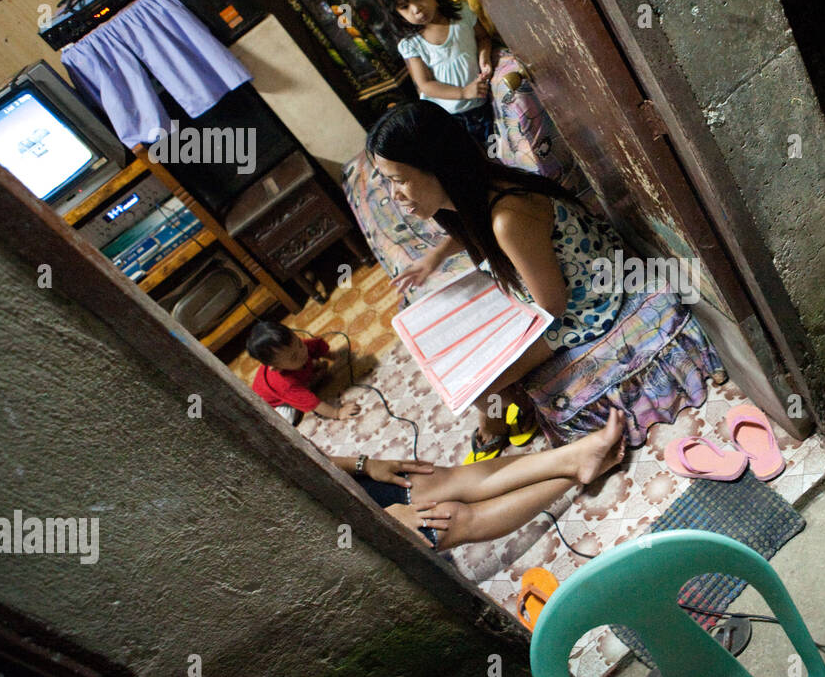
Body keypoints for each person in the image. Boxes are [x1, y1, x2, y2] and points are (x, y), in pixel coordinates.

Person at [366, 101, 625, 463]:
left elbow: (553, 306)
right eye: (389, 182)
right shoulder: (472, 193)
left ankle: (496, 427)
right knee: (453, 350)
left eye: (399, 180)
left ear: (438, 166)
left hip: (587, 301)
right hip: (551, 285)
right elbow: (475, 222)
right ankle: (511, 413)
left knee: (476, 387)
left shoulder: (509, 218)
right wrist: (435, 257)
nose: (395, 195)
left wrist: (499, 344)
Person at [329, 409, 625, 549]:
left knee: (429, 483)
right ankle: (576, 474)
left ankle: (575, 456)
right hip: (345, 543)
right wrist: (377, 523)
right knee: (449, 518)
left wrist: (364, 465)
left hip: (341, 497)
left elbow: (306, 455)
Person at [374, 0, 494, 146]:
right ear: (396, 13)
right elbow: (425, 84)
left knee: (495, 153)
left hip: (482, 104)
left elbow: (483, 38)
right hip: (449, 118)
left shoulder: (461, 15)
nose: (416, 9)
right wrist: (463, 92)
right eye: (404, 7)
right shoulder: (412, 43)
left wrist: (484, 57)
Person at [247, 321, 359, 423]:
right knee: (287, 420)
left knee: (311, 362)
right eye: (294, 357)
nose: (302, 352)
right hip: (275, 403)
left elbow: (317, 346)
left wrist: (333, 356)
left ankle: (307, 379)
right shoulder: (286, 385)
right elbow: (314, 404)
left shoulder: (294, 348)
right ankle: (305, 387)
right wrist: (337, 413)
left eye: (300, 344)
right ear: (277, 368)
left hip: (296, 376)